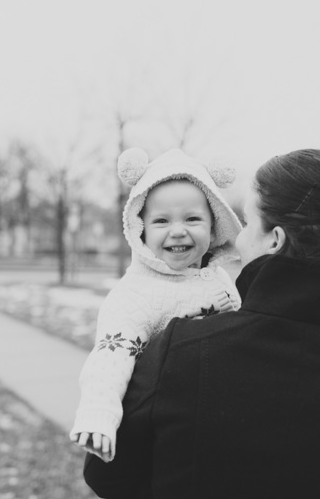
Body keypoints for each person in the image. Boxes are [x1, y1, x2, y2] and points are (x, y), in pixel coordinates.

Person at [83, 149, 320, 498]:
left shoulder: (180, 351)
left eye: (248, 223)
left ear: (275, 240)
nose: (237, 238)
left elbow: (107, 477)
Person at [70, 147, 243, 463]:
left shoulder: (220, 277)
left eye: (192, 218)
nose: (178, 230)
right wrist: (99, 412)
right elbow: (111, 356)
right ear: (141, 230)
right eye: (161, 221)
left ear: (214, 226)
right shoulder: (135, 294)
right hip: (169, 433)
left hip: (225, 425)